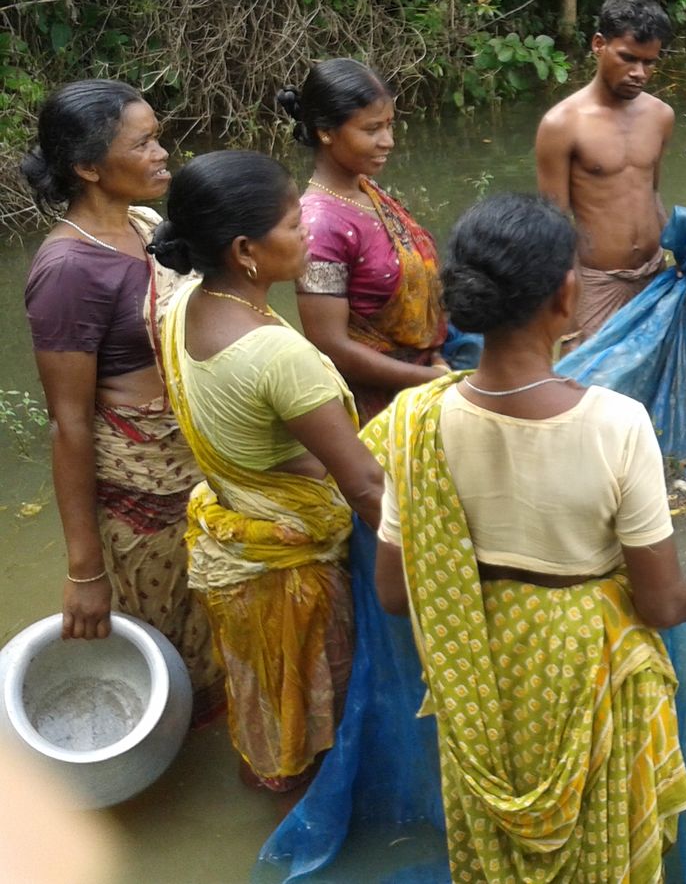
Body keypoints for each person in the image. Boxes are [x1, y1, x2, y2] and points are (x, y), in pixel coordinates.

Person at [366, 192, 686, 881]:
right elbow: (660, 603)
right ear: (566, 295)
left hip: (476, 674)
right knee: (596, 841)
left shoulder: (415, 420)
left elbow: (393, 592)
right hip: (587, 670)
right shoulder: (615, 423)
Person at [149, 150, 386, 792]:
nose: (308, 229)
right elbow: (364, 483)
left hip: (236, 546)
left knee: (266, 716)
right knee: (314, 733)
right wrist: (428, 558)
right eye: (292, 223)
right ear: (246, 249)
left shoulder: (182, 306)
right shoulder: (276, 354)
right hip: (291, 574)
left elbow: (254, 435)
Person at [20, 80, 223, 722]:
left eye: (158, 135)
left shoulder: (145, 226)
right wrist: (84, 572)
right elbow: (70, 423)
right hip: (144, 502)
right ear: (87, 167)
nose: (164, 152)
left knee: (219, 651)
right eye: (143, 143)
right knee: (169, 671)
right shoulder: (67, 272)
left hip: (200, 479)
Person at [281, 59, 446, 424]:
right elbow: (330, 345)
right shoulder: (319, 224)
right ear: (326, 132)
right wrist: (435, 381)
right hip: (379, 408)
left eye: (389, 125)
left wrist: (436, 362)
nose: (388, 141)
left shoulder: (366, 190)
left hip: (427, 377)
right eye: (372, 129)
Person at [535, 0, 675, 346]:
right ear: (599, 44)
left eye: (649, 62)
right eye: (628, 58)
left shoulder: (660, 116)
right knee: (588, 387)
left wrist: (681, 251)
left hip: (653, 272)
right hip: (596, 282)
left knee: (655, 383)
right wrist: (567, 310)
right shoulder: (562, 124)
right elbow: (553, 223)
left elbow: (651, 192)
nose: (639, 73)